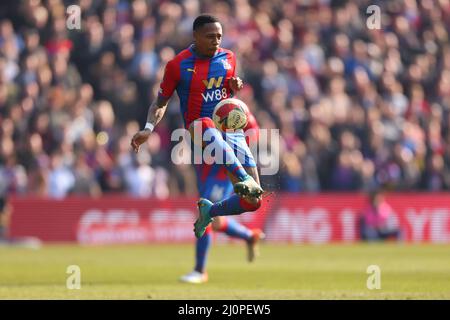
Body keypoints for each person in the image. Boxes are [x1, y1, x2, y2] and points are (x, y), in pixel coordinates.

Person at [130, 14, 265, 283]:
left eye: (219, 36)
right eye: (210, 36)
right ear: (195, 36)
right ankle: (200, 270)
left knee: (254, 202)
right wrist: (147, 128)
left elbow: (227, 96)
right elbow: (160, 102)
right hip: (200, 131)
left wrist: (233, 85)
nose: (216, 41)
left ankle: (211, 212)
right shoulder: (178, 65)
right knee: (205, 125)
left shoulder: (228, 58)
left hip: (230, 135)